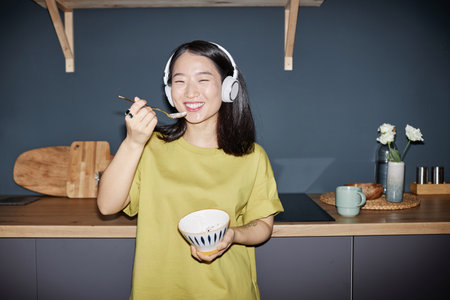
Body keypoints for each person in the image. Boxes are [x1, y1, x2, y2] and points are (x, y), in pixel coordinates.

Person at [97, 40, 284, 300]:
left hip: (228, 292)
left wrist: (233, 235)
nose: (189, 92)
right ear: (169, 89)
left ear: (228, 88)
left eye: (203, 80)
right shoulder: (148, 147)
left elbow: (263, 225)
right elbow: (107, 206)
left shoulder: (252, 156)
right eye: (180, 81)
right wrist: (133, 142)